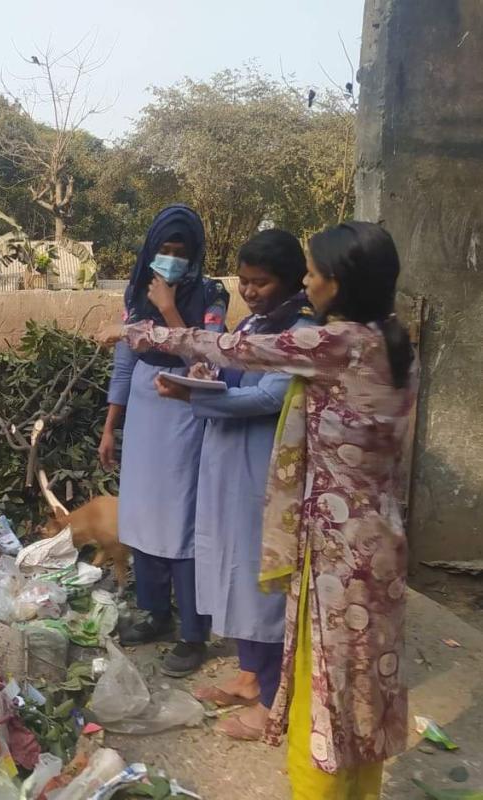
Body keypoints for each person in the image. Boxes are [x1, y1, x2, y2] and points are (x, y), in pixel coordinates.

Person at [100, 221, 415, 799]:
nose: (308, 284)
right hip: (378, 535)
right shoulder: (392, 341)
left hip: (336, 549)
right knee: (361, 688)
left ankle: (321, 787)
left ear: (336, 284)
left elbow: (232, 349)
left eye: (313, 275)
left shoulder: (335, 343)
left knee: (324, 689)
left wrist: (149, 330)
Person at [151, 229, 311, 740]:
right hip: (230, 458)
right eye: (243, 281)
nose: (249, 291)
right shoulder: (259, 322)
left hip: (261, 466)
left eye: (260, 282)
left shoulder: (300, 329)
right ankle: (248, 676)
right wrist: (202, 373)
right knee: (230, 564)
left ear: (290, 280)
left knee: (257, 580)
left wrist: (191, 397)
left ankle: (270, 701)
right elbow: (235, 372)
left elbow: (269, 397)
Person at [100, 204, 229, 677]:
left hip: (184, 408)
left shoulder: (211, 295)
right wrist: (112, 425)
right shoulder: (135, 293)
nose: (171, 259)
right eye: (163, 250)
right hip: (145, 415)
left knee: (182, 525)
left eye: (181, 252)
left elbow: (210, 359)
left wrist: (171, 309)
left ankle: (193, 633)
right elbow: (125, 360)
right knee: (143, 518)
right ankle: (156, 613)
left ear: (194, 255)